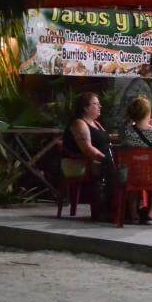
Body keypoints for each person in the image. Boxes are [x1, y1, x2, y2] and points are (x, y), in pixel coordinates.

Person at [62, 92, 112, 220]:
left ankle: (119, 208)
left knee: (125, 170)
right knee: (115, 170)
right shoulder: (79, 123)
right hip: (80, 161)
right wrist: (107, 160)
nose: (100, 106)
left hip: (97, 160)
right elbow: (88, 149)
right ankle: (103, 209)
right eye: (95, 104)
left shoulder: (96, 123)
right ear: (85, 107)